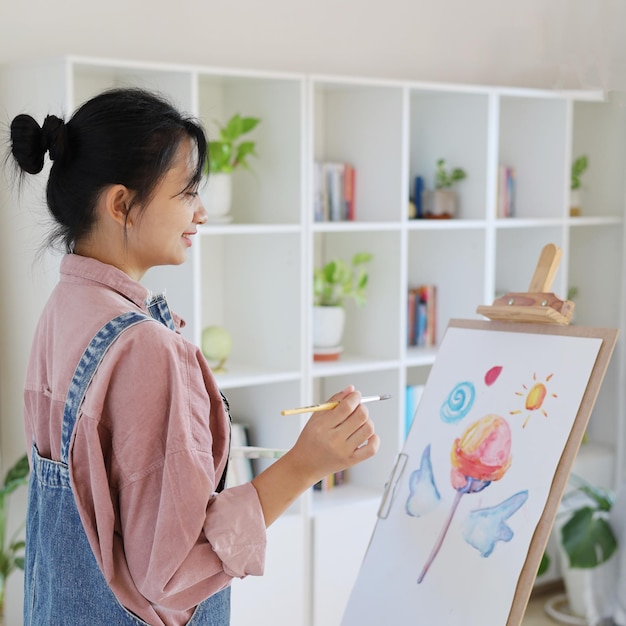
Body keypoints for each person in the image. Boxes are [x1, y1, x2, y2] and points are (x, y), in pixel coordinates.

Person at [7, 87, 380, 626]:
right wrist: (305, 465)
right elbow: (175, 574)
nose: (201, 212)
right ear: (120, 205)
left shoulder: (65, 307)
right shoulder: (147, 349)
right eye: (186, 192)